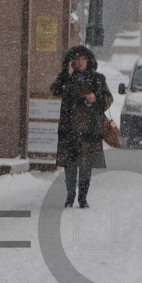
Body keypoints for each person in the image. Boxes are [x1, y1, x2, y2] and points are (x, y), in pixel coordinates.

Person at [51, 45, 112, 208]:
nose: (78, 63)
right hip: (69, 129)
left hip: (90, 129)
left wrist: (95, 98)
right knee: (69, 165)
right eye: (75, 60)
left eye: (82, 60)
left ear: (88, 61)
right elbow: (55, 90)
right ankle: (70, 196)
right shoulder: (66, 78)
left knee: (86, 165)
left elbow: (108, 99)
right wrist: (66, 75)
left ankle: (83, 198)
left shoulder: (98, 79)